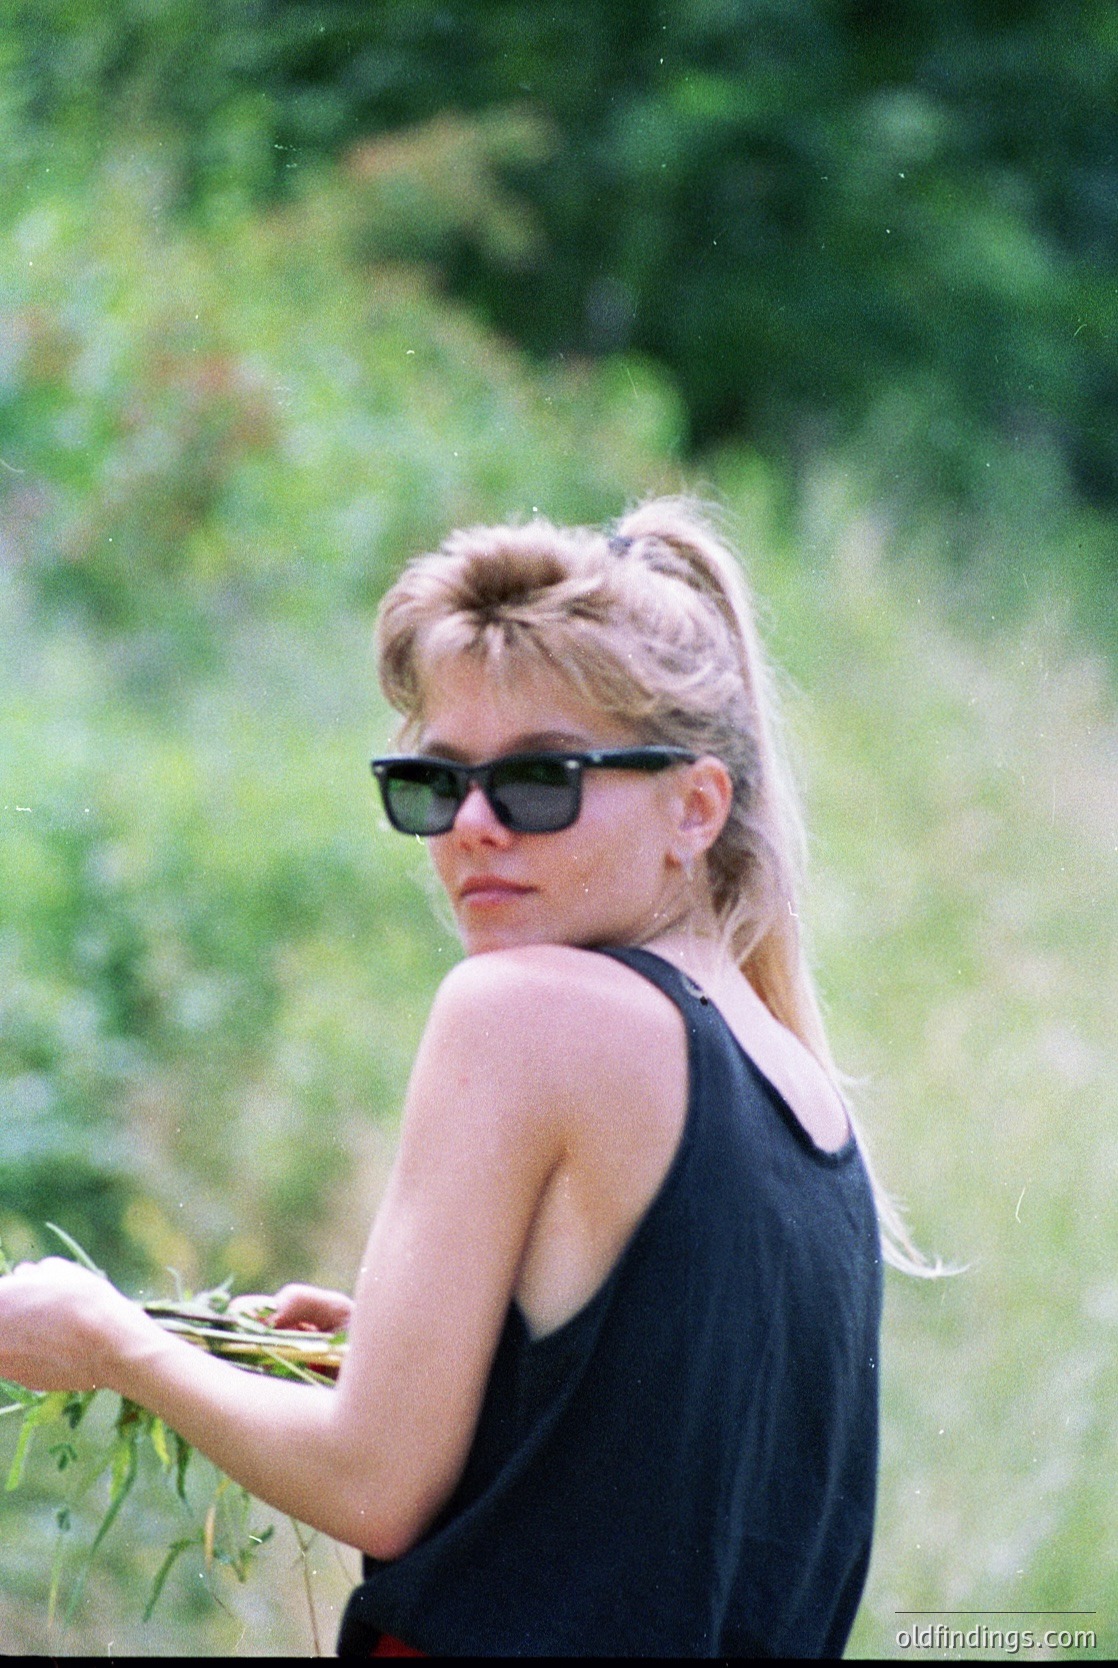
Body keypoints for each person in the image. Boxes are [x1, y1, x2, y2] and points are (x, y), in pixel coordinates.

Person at [0, 498, 926, 1656]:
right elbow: (661, 1504)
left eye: (539, 780)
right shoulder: (803, 1095)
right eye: (434, 785)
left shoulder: (520, 1013)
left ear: (693, 806)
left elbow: (372, 1483)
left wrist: (109, 1345)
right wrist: (471, 1380)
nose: (475, 827)